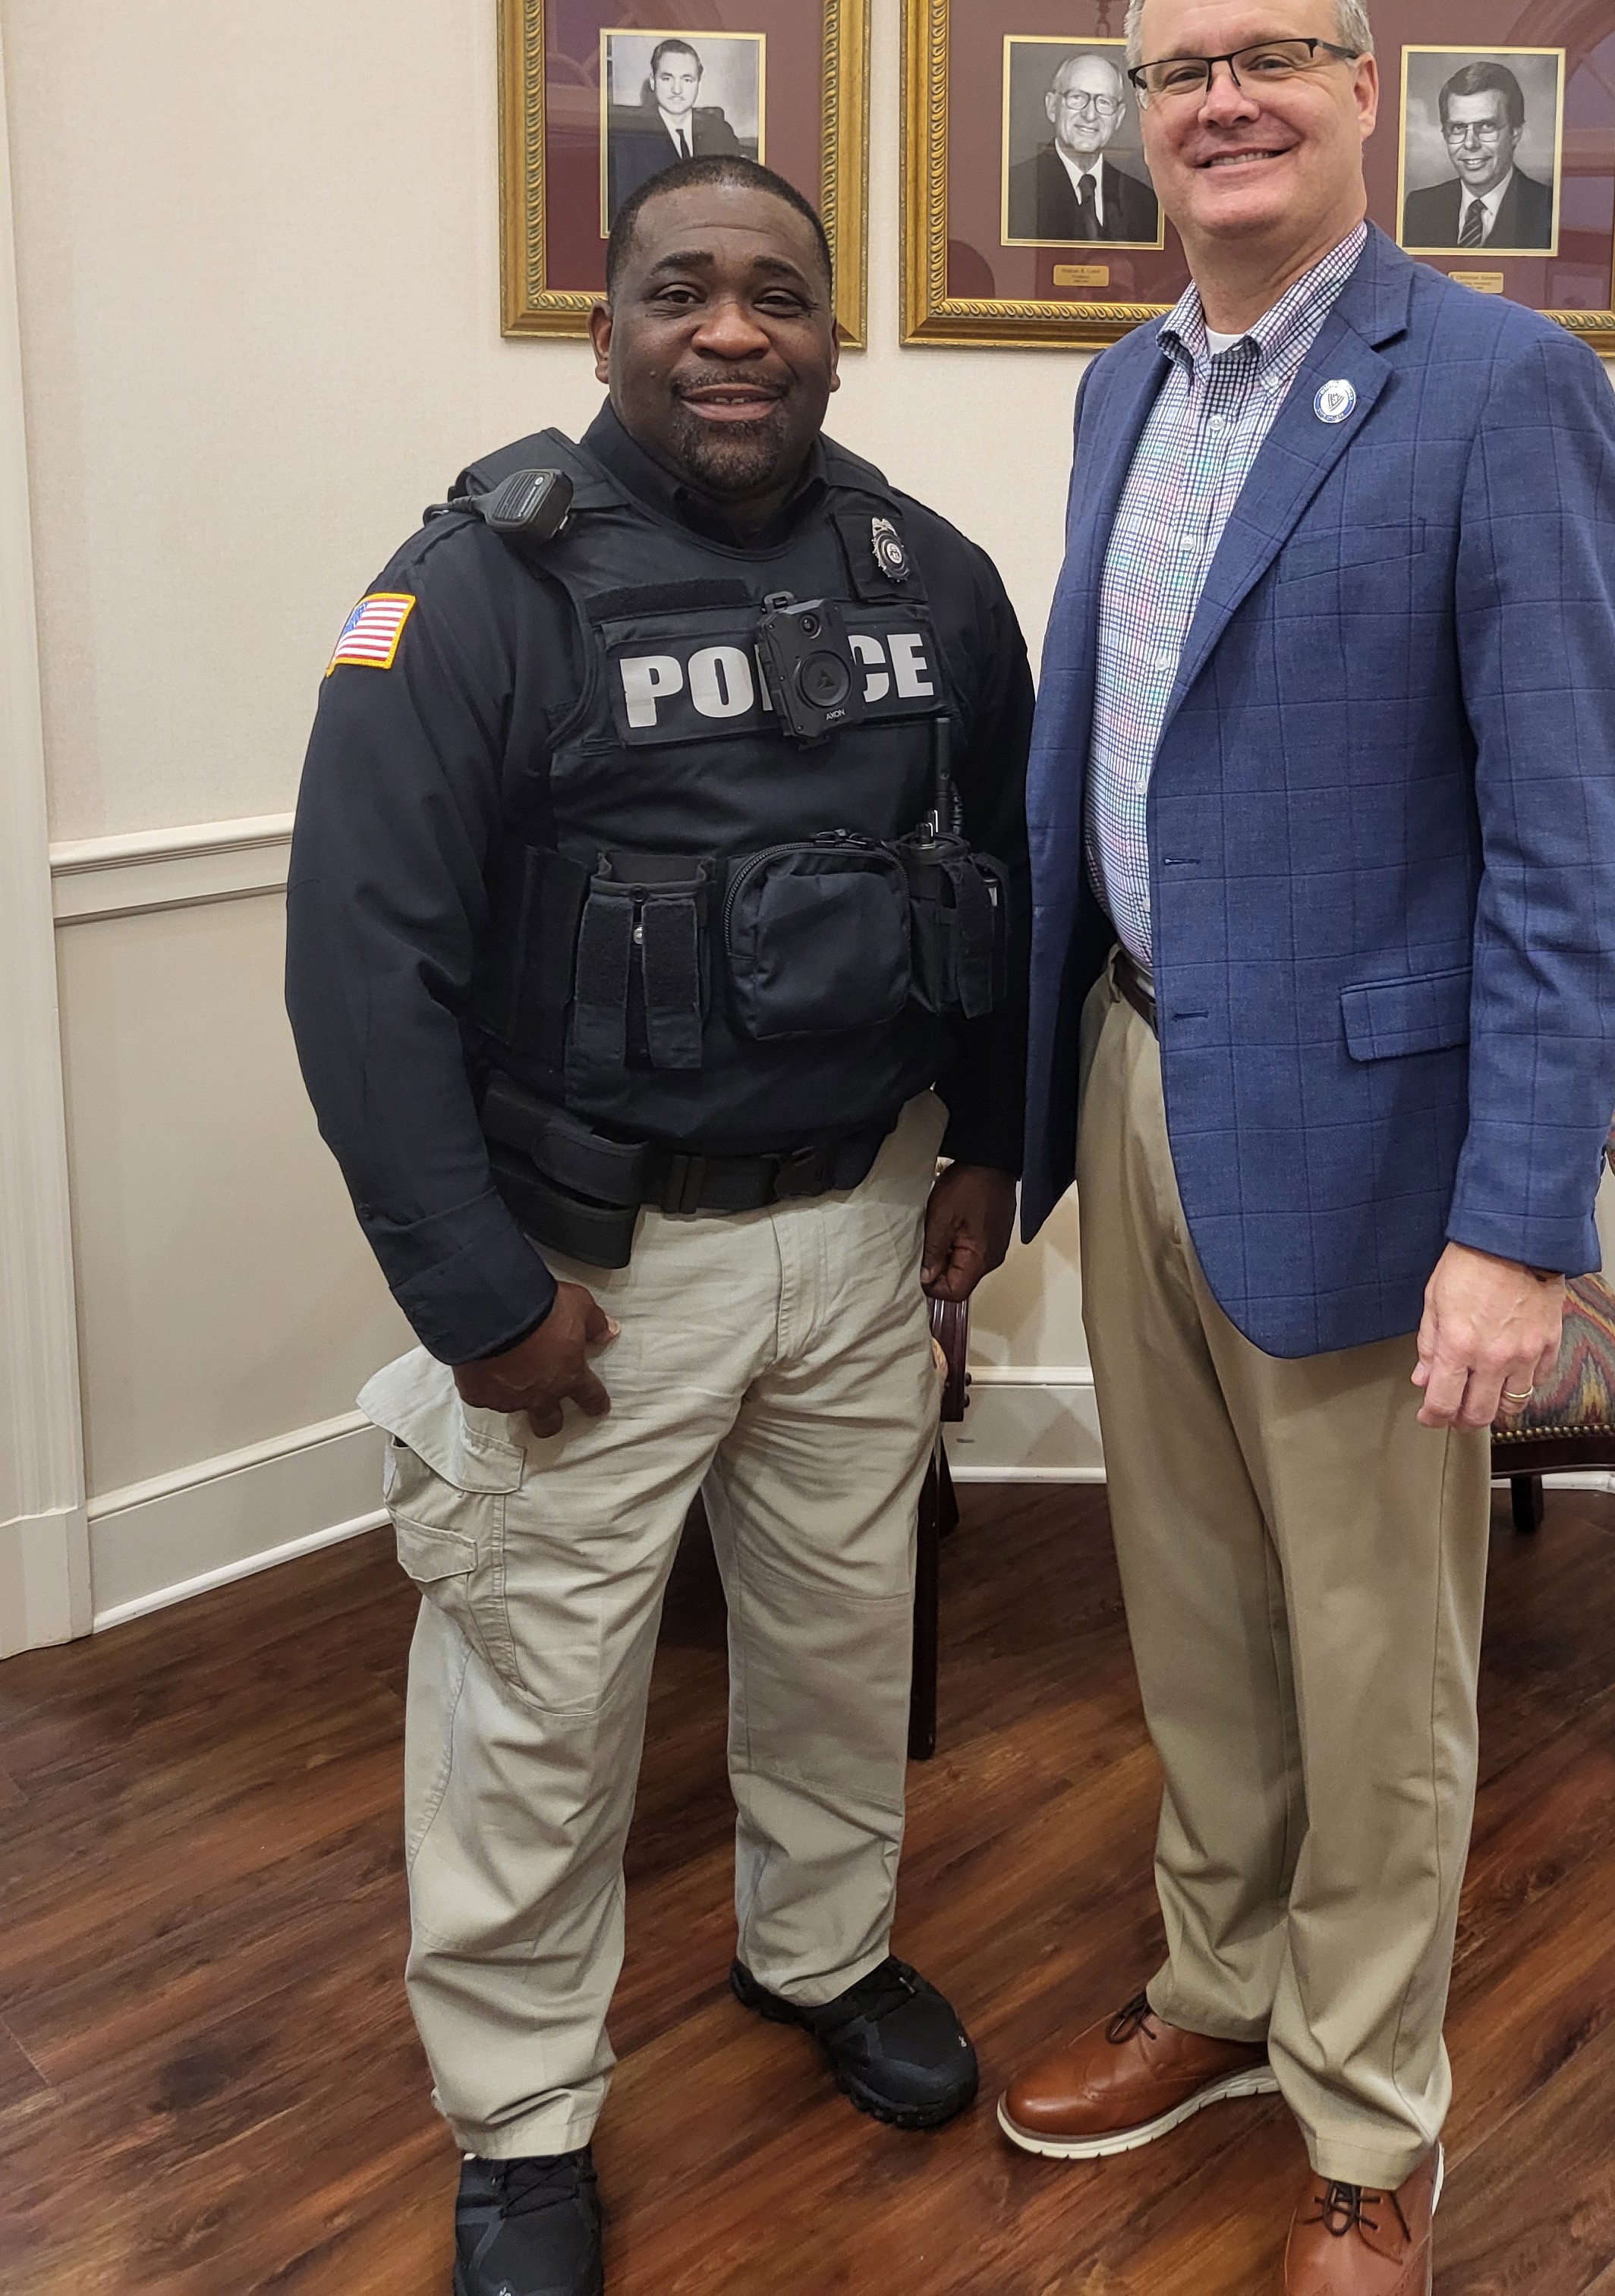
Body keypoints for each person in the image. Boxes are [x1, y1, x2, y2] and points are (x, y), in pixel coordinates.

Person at [285, 153, 1031, 2296]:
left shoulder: (932, 575)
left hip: (871, 1227)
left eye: (778, 294)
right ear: (600, 323)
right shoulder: (478, 583)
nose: (734, 330)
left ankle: (821, 1952)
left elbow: (1008, 870)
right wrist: (473, 1292)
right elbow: (362, 965)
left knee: (835, 1640)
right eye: (682, 291)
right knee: (536, 1699)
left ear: (832, 328)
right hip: (596, 1271)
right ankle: (521, 2111)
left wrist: (987, 1139)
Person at [1000, 0, 1615, 2293]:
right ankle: (1217, 1984)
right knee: (1190, 1616)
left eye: (1274, 56)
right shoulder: (1122, 390)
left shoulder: (1497, 390)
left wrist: (1517, 1221)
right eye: (1182, 68)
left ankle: (1372, 2117)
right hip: (1139, 1067)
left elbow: (1568, 850)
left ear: (1367, 91)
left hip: (1377, 1154)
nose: (1225, 100)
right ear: (1138, 116)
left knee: (1380, 1665)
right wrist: (1030, 1092)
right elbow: (1100, 767)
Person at [1003, 49, 1162, 244]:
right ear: (1052, 107)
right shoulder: (1015, 188)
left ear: (1118, 117)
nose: (1090, 115)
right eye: (1077, 98)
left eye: (1104, 102)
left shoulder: (1143, 200)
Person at [1400, 59, 1553, 251]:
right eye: (1458, 128)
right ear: (1445, 135)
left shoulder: (1547, 208)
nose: (1470, 143)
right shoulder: (1420, 208)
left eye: (1486, 126)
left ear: (1515, 133)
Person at [606, 37, 752, 225]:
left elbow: (737, 202)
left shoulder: (720, 131)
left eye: (687, 79)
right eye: (667, 78)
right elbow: (623, 214)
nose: (677, 89)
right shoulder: (629, 137)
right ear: (652, 81)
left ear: (699, 82)